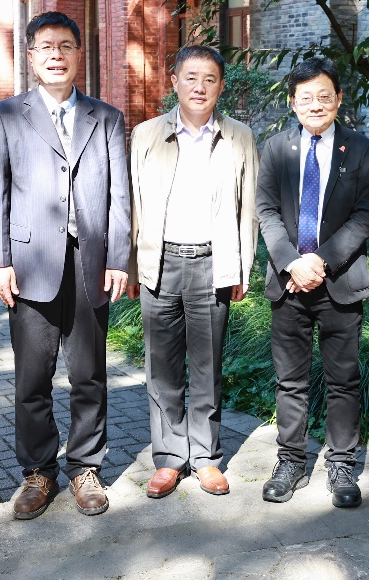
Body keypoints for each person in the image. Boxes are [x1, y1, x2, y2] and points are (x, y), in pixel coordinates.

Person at [0, 11, 131, 520]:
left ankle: (86, 467)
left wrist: (118, 258)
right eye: (46, 47)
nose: (56, 55)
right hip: (29, 264)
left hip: (91, 262)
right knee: (32, 379)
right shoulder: (6, 115)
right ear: (31, 56)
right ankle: (38, 472)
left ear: (78, 54)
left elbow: (119, 195)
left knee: (89, 374)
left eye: (65, 46)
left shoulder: (106, 117)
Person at [128, 45, 259, 499]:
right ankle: (169, 458)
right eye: (191, 77)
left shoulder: (239, 137)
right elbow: (133, 204)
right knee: (162, 367)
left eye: (209, 79)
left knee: (207, 367)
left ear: (221, 86)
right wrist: (134, 266)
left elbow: (249, 209)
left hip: (212, 263)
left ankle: (205, 457)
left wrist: (241, 266)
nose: (199, 87)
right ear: (174, 82)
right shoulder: (146, 134)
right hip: (160, 262)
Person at [256, 57, 369, 508]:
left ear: (338, 99)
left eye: (324, 96)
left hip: (340, 282)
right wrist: (292, 263)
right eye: (305, 97)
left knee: (342, 380)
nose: (315, 104)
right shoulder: (276, 148)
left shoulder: (360, 149)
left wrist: (320, 261)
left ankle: (342, 464)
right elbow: (266, 210)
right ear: (292, 102)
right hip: (288, 283)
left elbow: (366, 214)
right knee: (290, 381)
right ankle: (290, 461)